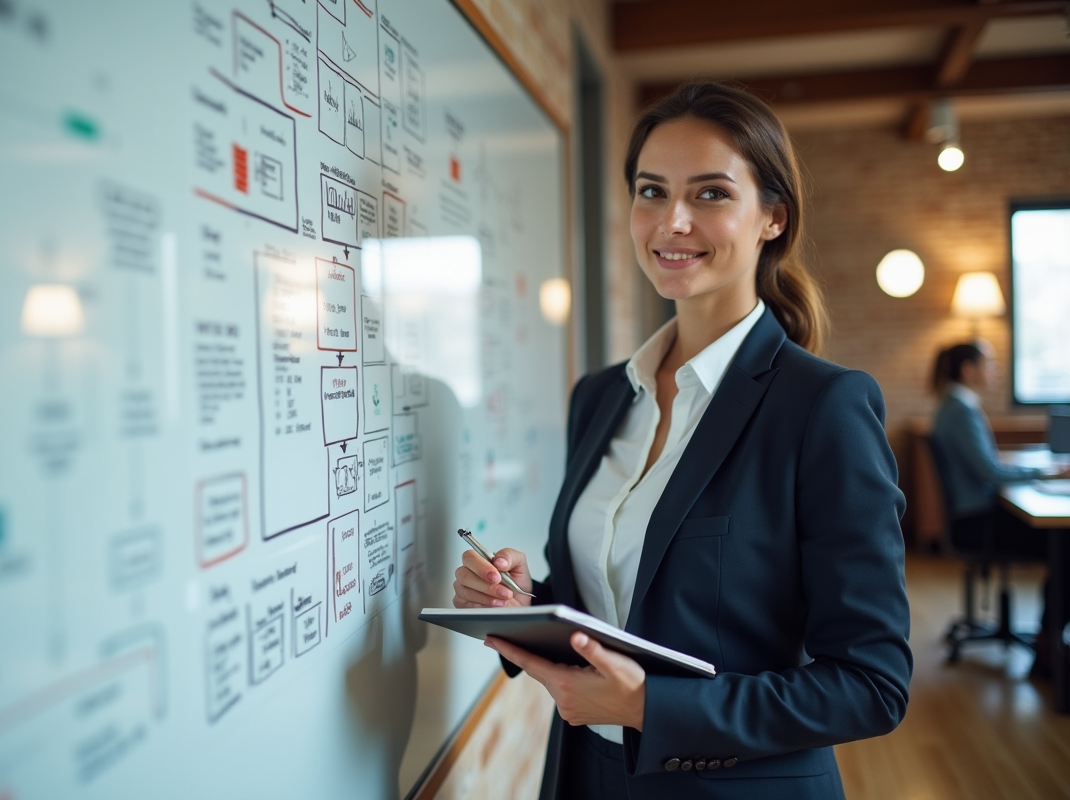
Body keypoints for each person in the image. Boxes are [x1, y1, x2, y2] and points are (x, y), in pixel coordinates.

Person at [451, 81, 911, 800]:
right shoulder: (600, 397)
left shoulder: (822, 406)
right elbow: (607, 607)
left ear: (772, 219)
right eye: (651, 191)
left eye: (711, 195)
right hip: (584, 778)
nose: (672, 221)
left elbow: (871, 685)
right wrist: (522, 605)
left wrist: (646, 707)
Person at [928, 339, 1070, 676]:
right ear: (968, 369)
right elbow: (989, 471)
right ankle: (1049, 650)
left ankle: (1048, 643)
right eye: (988, 363)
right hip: (978, 523)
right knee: (1064, 546)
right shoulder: (960, 410)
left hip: (975, 515)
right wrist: (1047, 471)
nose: (994, 370)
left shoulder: (953, 406)